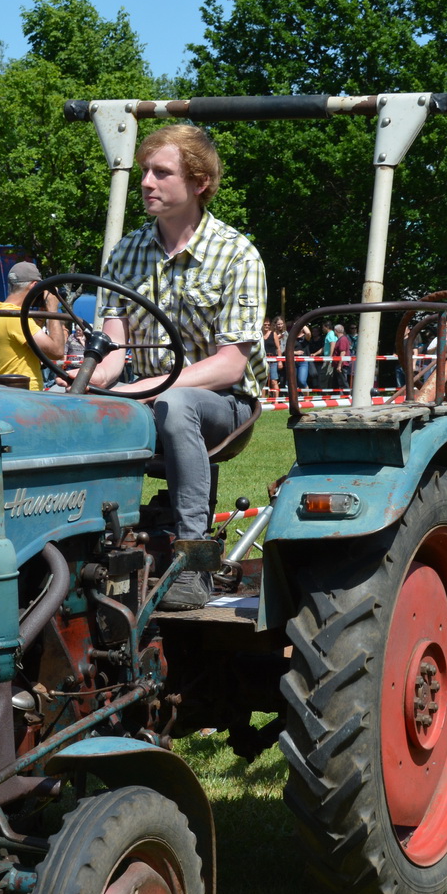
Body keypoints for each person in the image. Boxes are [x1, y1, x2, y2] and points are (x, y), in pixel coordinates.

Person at [90, 123, 265, 611]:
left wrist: (145, 387)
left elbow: (230, 366)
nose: (147, 182)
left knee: (175, 401)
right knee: (70, 409)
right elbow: (114, 350)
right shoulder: (127, 251)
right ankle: (90, 550)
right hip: (148, 397)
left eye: (161, 173)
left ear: (199, 182)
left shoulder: (236, 254)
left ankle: (195, 562)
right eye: (144, 171)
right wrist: (83, 385)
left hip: (226, 405)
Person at [0, 261, 64, 391]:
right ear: (35, 286)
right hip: (25, 395)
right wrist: (52, 308)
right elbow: (57, 351)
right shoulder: (15, 318)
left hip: (5, 392)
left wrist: (40, 319)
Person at [261, 315, 285, 397]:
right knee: (263, 381)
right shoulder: (259, 335)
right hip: (262, 361)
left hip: (273, 361)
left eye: (268, 324)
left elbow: (278, 348)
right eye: (265, 324)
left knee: (274, 381)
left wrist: (280, 361)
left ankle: (276, 401)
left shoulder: (273, 334)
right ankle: (262, 401)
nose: (267, 326)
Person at [331, 324, 353, 390]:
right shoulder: (342, 339)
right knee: (339, 383)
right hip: (340, 364)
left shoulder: (342, 339)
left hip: (342, 365)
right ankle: (342, 394)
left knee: (343, 383)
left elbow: (342, 352)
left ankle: (346, 394)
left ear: (336, 330)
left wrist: (339, 365)